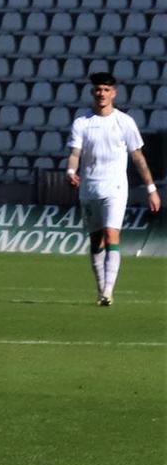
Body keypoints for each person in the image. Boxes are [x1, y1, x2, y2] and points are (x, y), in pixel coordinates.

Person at [66, 71, 159, 306]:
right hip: (89, 188)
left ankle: (108, 291)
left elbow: (138, 157)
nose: (102, 94)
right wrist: (70, 172)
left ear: (114, 93)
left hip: (116, 188)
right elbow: (75, 153)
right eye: (98, 89)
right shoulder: (82, 122)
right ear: (92, 92)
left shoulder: (124, 122)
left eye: (106, 90)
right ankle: (100, 288)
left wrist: (151, 188)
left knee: (111, 235)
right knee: (95, 240)